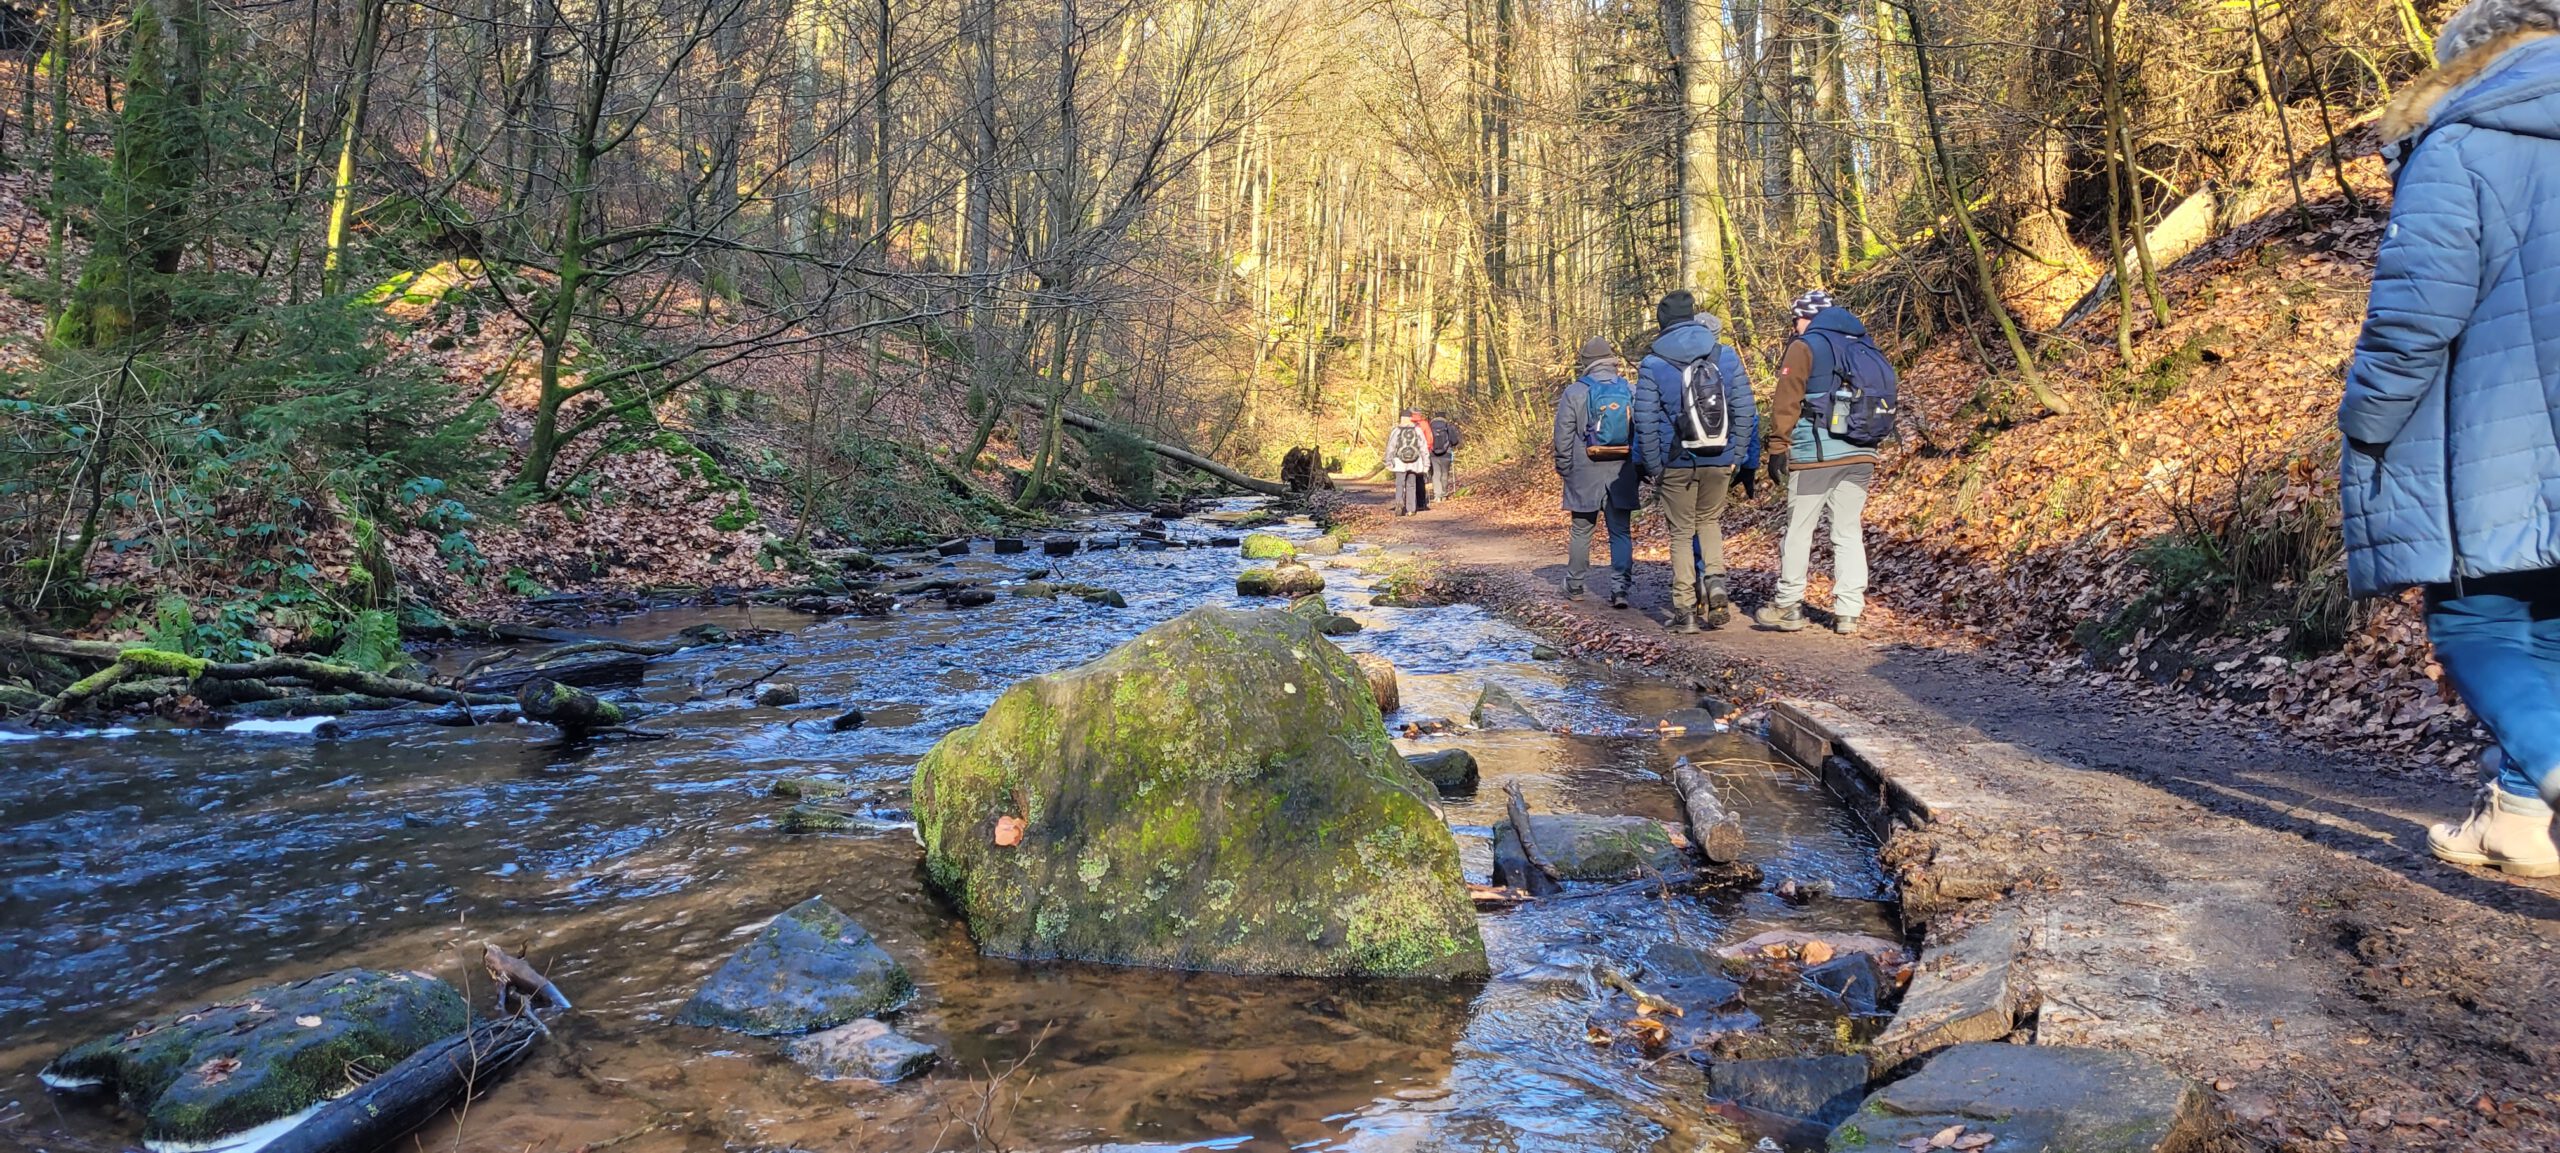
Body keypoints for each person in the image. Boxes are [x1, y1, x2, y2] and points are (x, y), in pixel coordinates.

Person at [2344, 0, 2560, 877]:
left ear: (2466, 62)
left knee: (2474, 618)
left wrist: (2367, 421)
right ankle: (2516, 817)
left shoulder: (2463, 143)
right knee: (2546, 620)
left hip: (2497, 434)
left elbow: (2412, 317)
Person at [1755, 290, 1883, 637]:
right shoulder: (1863, 342)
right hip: (1861, 451)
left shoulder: (1805, 346)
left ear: (1807, 317)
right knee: (1847, 530)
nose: (1794, 327)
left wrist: (1778, 445)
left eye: (1795, 319)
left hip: (1817, 454)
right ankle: (1849, 611)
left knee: (1800, 528)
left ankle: (1788, 604)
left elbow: (1787, 400)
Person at [1636, 290, 1759, 633]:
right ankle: (1716, 583)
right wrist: (1736, 455)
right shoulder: (1726, 355)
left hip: (1675, 462)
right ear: (1692, 316)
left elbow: (1645, 422)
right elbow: (1746, 411)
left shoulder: (1653, 363)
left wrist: (1655, 467)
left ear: (1663, 324)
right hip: (1720, 457)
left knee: (1680, 534)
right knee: (1709, 522)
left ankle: (1685, 611)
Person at [1554, 336, 1646, 606]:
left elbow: (1563, 435)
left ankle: (1575, 585)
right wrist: (1639, 467)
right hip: (1622, 470)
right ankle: (1620, 589)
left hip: (1584, 470)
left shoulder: (1575, 392)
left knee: (1582, 529)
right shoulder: (1630, 389)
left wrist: (1564, 467)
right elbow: (1642, 430)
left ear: (1586, 362)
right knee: (1620, 531)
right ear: (1611, 360)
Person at [1387, 410, 1434, 516]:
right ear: (1410, 418)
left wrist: (1388, 461)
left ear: (1401, 418)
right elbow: (1423, 448)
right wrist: (1426, 464)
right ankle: (1411, 509)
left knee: (1399, 484)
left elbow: (1391, 447)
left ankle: (1399, 503)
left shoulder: (1396, 430)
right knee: (1411, 485)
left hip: (1399, 462)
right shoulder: (1417, 429)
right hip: (1414, 462)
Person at [1428, 413, 1462, 502]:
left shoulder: (1430, 426)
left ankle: (1437, 495)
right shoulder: (1448, 425)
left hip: (1433, 454)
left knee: (1436, 473)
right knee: (1444, 474)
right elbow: (1454, 441)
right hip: (1446, 453)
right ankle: (1444, 494)